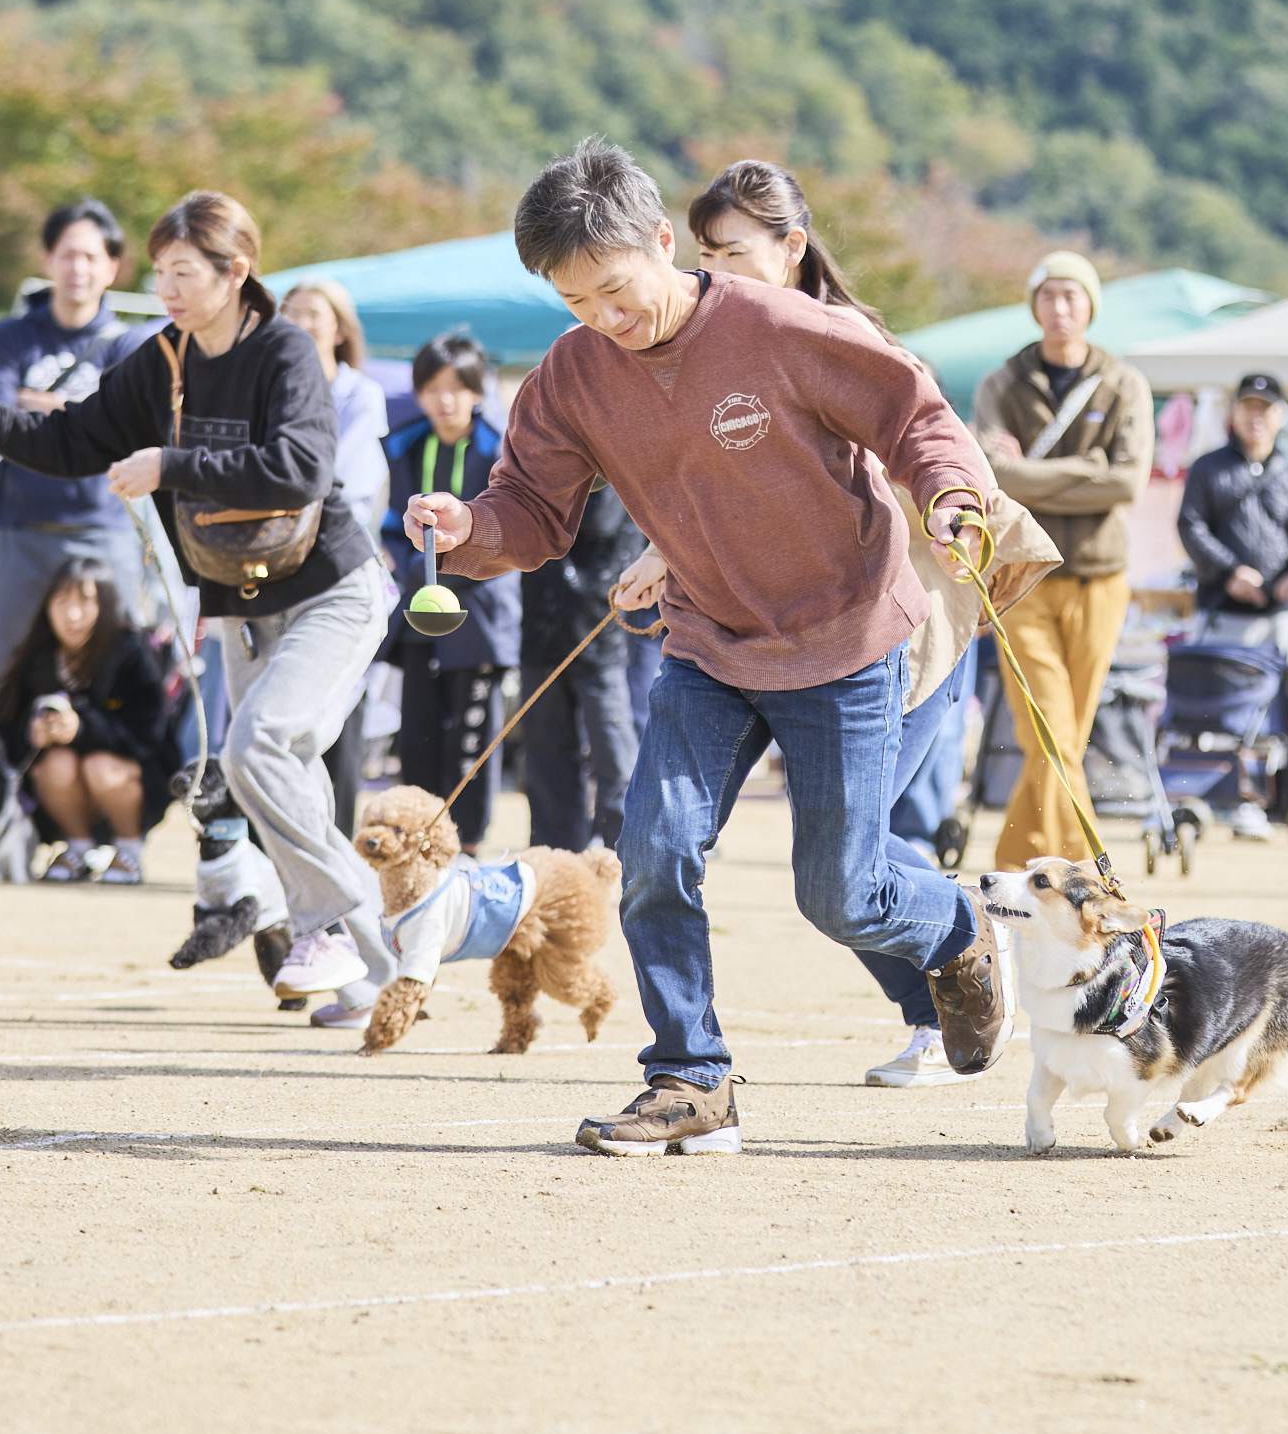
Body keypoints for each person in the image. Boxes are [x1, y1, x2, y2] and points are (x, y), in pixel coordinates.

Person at [404, 138, 1013, 1157]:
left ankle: (958, 928)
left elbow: (918, 414)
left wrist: (952, 494)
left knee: (840, 891)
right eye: (576, 304)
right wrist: (470, 531)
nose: (605, 318)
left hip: (848, 637)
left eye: (615, 289)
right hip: (709, 645)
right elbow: (530, 512)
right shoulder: (572, 376)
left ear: (659, 242)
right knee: (652, 849)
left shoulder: (780, 324)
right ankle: (690, 1077)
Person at [0, 192, 396, 1027]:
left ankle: (343, 925)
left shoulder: (285, 350)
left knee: (260, 746)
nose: (166, 288)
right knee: (269, 772)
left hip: (330, 591)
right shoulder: (162, 357)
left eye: (184, 272)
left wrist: (170, 464)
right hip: (240, 602)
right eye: (162, 270)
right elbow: (73, 438)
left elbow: (302, 468)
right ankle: (380, 973)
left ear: (235, 272)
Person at [684, 157, 1030, 1089]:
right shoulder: (718, 350)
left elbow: (920, 455)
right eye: (702, 254)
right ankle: (947, 987)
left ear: (793, 248)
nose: (713, 271)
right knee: (840, 844)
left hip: (909, 628)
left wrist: (954, 500)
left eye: (734, 252)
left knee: (852, 845)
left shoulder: (845, 340)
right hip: (812, 639)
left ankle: (954, 973)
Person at [973, 252, 1152, 868]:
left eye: (1072, 296)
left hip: (1101, 576)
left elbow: (1127, 483)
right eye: (1048, 295)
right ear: (1034, 305)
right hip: (1020, 576)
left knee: (1064, 733)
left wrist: (1033, 474)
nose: (1060, 308)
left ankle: (1017, 859)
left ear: (1091, 306)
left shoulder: (1123, 383)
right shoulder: (1002, 382)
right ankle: (1087, 864)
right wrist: (1085, 470)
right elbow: (994, 475)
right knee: (1046, 726)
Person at [0, 198, 146, 691]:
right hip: (21, 530)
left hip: (105, 528)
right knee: (10, 671)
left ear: (112, 267)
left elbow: (126, 431)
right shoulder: (12, 336)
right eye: (68, 255)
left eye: (92, 257)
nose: (79, 268)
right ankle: (8, 770)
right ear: (47, 260)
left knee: (111, 674)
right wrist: (85, 410)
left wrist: (41, 405)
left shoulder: (127, 345)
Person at [381, 332, 523, 849]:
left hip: (480, 613)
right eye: (433, 388)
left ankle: (466, 843)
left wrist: (451, 566)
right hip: (418, 610)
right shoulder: (402, 445)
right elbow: (387, 529)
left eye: (457, 388)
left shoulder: (499, 446)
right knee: (417, 731)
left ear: (478, 390)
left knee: (471, 739)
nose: (445, 400)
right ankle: (417, 837)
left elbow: (513, 529)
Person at [1175, 372, 1288, 842]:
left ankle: (1261, 802)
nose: (1257, 416)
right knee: (1215, 713)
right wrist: (1230, 571)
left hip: (1276, 616)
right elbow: (1191, 526)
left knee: (1269, 716)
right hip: (1221, 611)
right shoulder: (1208, 467)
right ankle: (1211, 797)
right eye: (1249, 406)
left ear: (1282, 415)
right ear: (1234, 412)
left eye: (1266, 407)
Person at [0, 555, 178, 883]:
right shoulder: (38, 656)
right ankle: (77, 847)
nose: (72, 614)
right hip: (63, 791)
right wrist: (31, 736)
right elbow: (8, 728)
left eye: (86, 602)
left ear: (106, 604)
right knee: (55, 765)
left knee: (101, 768)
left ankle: (129, 849)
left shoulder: (129, 651)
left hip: (131, 782)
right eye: (61, 601)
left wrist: (83, 727)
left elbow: (150, 732)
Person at [283, 278, 390, 833]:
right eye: (291, 312)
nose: (301, 322)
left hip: (338, 567)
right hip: (275, 571)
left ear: (339, 327)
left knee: (339, 712)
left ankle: (337, 850)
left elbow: (343, 482)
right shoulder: (267, 391)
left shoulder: (360, 395)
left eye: (314, 313)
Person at [517, 481, 643, 851]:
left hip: (599, 627)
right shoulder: (534, 453)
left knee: (614, 750)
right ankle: (556, 854)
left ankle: (627, 854)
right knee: (545, 754)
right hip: (542, 625)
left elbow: (601, 521)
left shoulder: (611, 453)